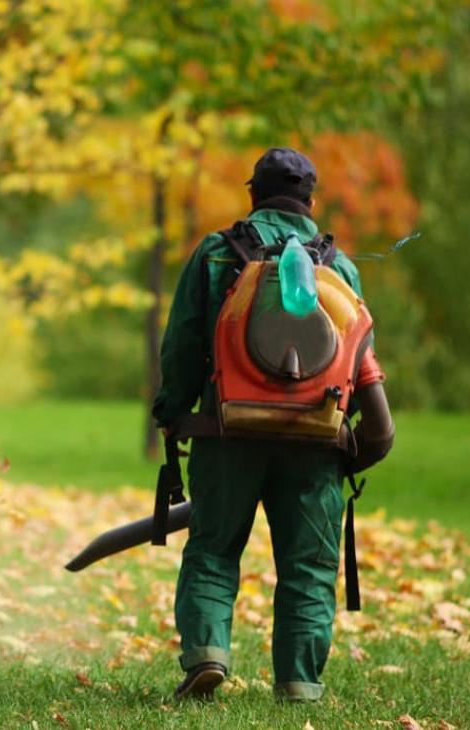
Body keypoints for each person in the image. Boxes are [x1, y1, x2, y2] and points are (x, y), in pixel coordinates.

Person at [151, 147, 395, 703]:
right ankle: (299, 683)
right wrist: (344, 440)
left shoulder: (217, 253)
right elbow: (361, 360)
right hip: (315, 441)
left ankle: (209, 653)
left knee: (213, 550)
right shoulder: (341, 267)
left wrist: (173, 412)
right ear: (310, 202)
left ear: (253, 195)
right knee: (308, 568)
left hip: (229, 431)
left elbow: (185, 345)